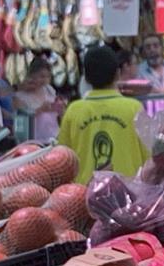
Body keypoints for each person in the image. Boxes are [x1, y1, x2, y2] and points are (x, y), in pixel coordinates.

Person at [57, 43, 144, 183]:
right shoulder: (134, 108)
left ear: (85, 78)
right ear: (118, 74)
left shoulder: (74, 110)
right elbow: (149, 158)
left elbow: (62, 160)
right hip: (129, 195)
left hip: (82, 196)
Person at [12, 55, 62, 142]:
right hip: (34, 141)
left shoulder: (49, 90)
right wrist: (40, 110)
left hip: (54, 137)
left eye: (48, 77)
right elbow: (20, 124)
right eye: (42, 76)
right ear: (32, 75)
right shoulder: (19, 97)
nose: (45, 80)